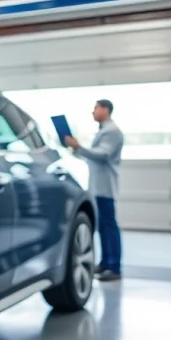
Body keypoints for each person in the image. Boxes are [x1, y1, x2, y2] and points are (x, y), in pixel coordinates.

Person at [64, 99, 124, 282]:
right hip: (98, 187)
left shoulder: (112, 131)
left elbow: (103, 155)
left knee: (109, 226)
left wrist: (79, 147)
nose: (93, 112)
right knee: (104, 227)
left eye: (96, 108)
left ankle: (114, 266)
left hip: (105, 187)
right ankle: (106, 262)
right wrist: (77, 149)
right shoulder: (104, 131)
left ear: (106, 109)